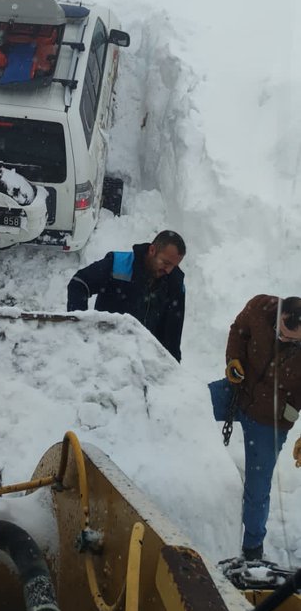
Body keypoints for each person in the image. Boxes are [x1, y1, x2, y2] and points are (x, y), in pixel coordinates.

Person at [209, 294, 301, 561]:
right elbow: (239, 330)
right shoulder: (261, 306)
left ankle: (252, 550)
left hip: (269, 422)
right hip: (237, 390)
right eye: (280, 334)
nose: (283, 341)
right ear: (279, 314)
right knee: (191, 406)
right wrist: (233, 360)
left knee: (257, 490)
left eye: (292, 340)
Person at [66, 230, 186, 361]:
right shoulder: (118, 265)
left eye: (174, 266)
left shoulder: (175, 283)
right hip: (106, 354)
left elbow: (173, 334)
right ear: (152, 250)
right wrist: (80, 330)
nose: (168, 270)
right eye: (166, 263)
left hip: (146, 361)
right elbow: (79, 283)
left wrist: (172, 369)